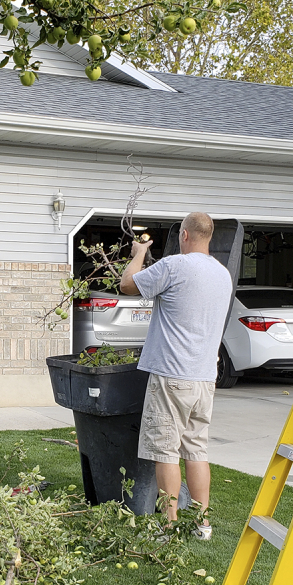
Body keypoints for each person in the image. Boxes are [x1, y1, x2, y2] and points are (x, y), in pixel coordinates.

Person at [119, 213, 232, 537]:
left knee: (165, 452)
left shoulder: (174, 266)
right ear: (208, 236)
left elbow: (127, 285)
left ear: (184, 235)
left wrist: (139, 253)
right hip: (204, 377)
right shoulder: (222, 274)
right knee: (196, 450)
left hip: (172, 376)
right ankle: (202, 524)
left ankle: (168, 526)